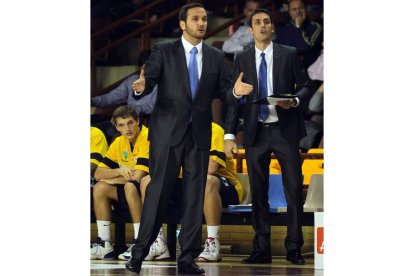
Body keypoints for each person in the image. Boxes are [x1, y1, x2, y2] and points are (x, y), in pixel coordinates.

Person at [125, 3, 233, 274]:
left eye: (205, 19)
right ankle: (138, 254)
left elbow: (225, 91)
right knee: (157, 193)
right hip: (167, 134)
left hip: (198, 134)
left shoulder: (215, 56)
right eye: (196, 19)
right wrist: (140, 88)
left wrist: (238, 92)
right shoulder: (164, 50)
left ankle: (187, 258)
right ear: (183, 24)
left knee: (194, 196)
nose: (202, 23)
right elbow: (147, 81)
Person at [224, 8, 311, 265]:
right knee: (258, 193)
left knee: (293, 190)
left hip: (285, 131)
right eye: (257, 22)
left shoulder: (289, 54)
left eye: (266, 22)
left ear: (272, 27)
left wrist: (294, 101)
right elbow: (233, 99)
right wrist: (229, 134)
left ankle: (294, 248)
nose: (263, 26)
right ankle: (261, 249)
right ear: (250, 30)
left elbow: (306, 86)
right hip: (255, 132)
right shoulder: (241, 58)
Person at [90, 106, 170, 261]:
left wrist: (112, 178)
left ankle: (141, 242)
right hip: (133, 189)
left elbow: (138, 176)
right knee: (100, 188)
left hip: (157, 191)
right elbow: (98, 173)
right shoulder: (119, 142)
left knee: (130, 186)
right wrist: (119, 171)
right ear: (116, 127)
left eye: (130, 123)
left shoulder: (148, 137)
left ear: (138, 121)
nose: (127, 129)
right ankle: (104, 244)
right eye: (121, 125)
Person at [197, 122, 243, 262]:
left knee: (208, 180)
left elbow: (211, 168)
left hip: (226, 187)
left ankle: (213, 242)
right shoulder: (177, 129)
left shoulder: (214, 130)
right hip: (193, 184)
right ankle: (154, 242)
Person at [91, 50, 157, 143]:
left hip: (139, 124)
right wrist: (92, 101)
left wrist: (128, 111)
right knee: (92, 127)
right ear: (142, 67)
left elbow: (152, 107)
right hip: (121, 120)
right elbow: (111, 97)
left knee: (109, 133)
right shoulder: (133, 80)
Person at [274, 0, 322, 69]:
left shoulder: (315, 27)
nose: (298, 12)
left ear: (306, 9)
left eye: (301, 8)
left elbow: (303, 48)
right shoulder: (282, 30)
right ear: (289, 12)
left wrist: (298, 27)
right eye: (294, 9)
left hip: (307, 71)